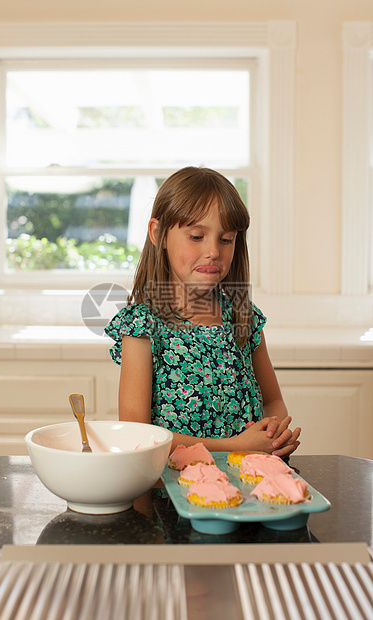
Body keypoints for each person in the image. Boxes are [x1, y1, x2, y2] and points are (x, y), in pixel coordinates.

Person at [105, 166, 301, 457]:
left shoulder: (242, 316)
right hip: (171, 492)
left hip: (244, 490)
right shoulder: (142, 326)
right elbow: (139, 433)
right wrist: (236, 447)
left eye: (226, 239)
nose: (213, 251)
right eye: (196, 236)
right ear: (158, 234)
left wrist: (272, 438)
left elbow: (272, 402)